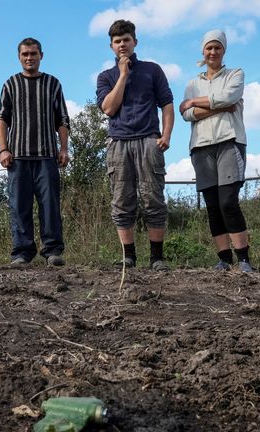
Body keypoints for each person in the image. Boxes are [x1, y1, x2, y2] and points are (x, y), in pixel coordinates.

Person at [96, 19, 174, 271]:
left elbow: (167, 104)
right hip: (118, 143)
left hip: (149, 140)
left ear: (135, 42)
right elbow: (109, 108)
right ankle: (128, 257)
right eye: (117, 41)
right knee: (121, 200)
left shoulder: (152, 70)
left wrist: (166, 135)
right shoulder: (106, 76)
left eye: (126, 40)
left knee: (153, 199)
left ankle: (156, 258)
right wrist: (123, 75)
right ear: (111, 46)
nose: (122, 45)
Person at [179, 30, 253, 273]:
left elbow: (230, 95)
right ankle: (224, 258)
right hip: (200, 146)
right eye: (209, 48)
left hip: (229, 141)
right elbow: (187, 114)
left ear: (224, 50)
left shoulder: (235, 74)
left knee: (228, 201)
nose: (213, 52)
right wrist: (216, 106)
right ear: (203, 51)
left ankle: (243, 259)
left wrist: (195, 102)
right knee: (212, 204)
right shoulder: (192, 84)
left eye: (217, 48)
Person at [0, 37, 70, 266]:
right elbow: (1, 119)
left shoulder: (53, 84)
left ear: (41, 56)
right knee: (19, 207)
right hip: (17, 157)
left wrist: (64, 148)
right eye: (25, 54)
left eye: (33, 54)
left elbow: (63, 120)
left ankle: (52, 252)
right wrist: (3, 149)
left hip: (47, 156)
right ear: (19, 57)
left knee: (50, 206)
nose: (29, 58)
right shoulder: (10, 84)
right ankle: (22, 253)